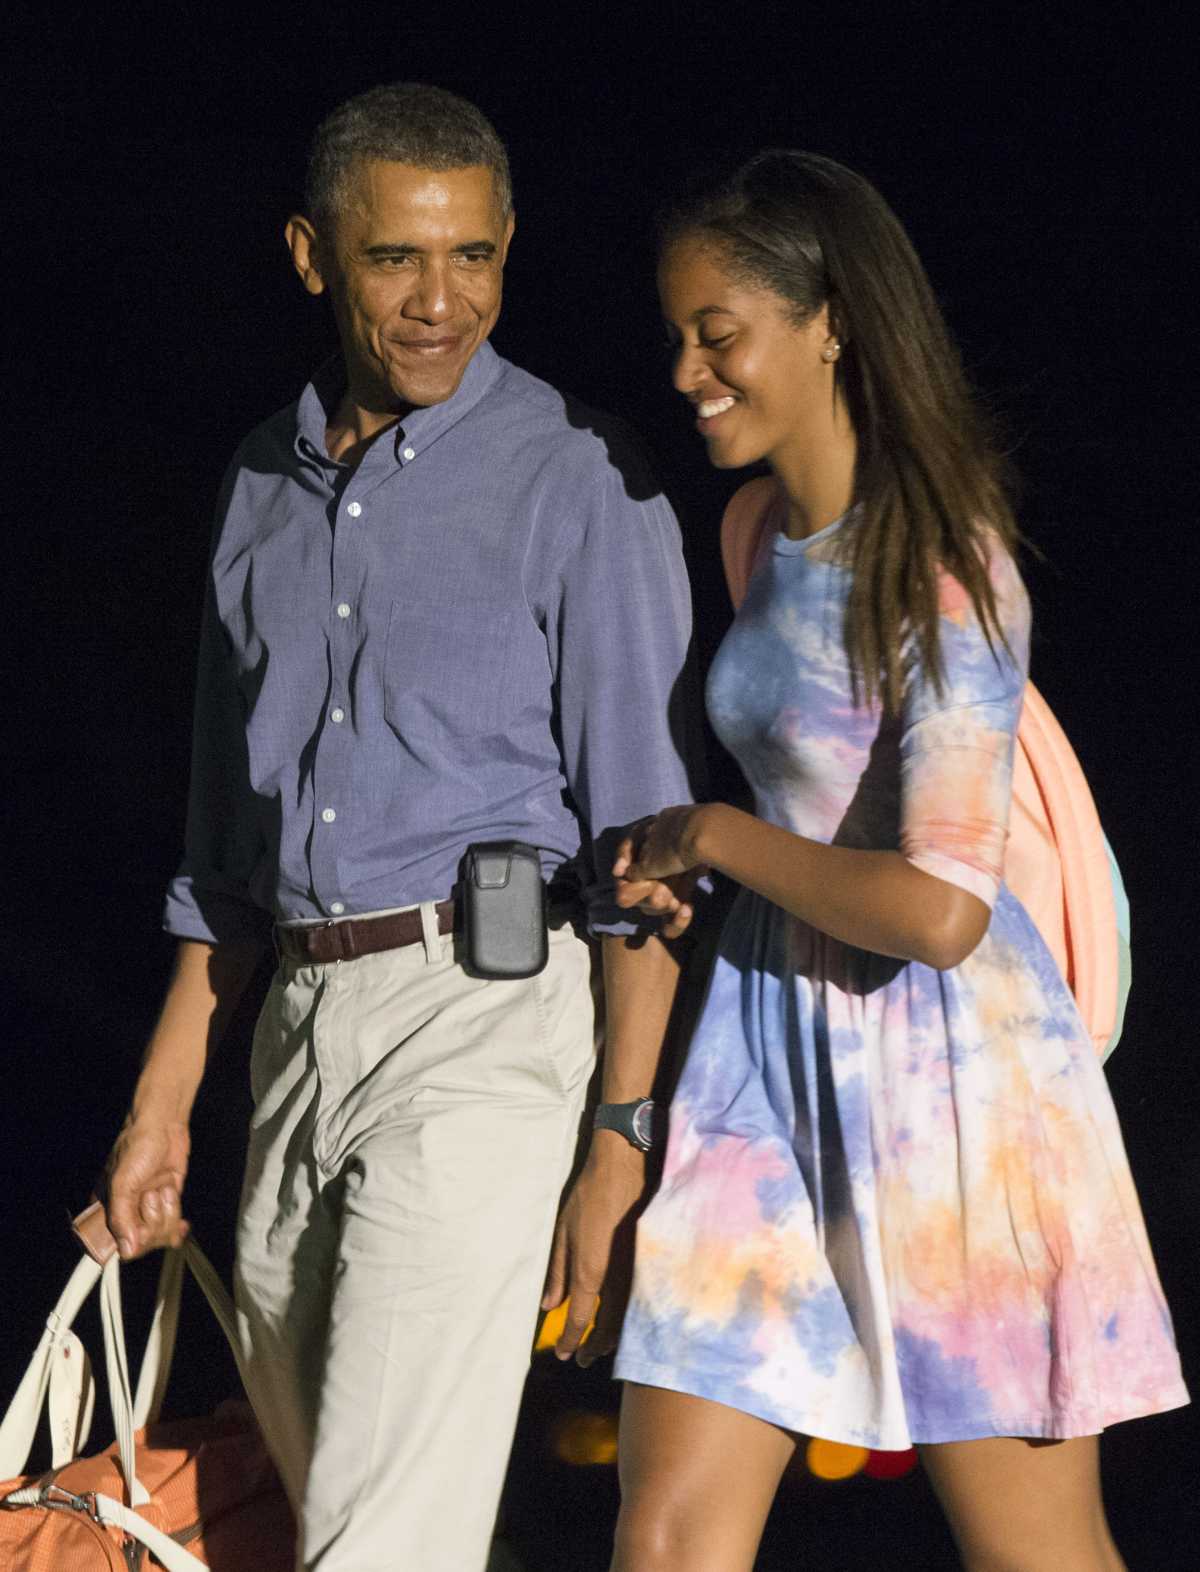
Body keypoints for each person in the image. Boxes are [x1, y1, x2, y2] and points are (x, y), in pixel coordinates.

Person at [99, 83, 699, 1572]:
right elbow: (219, 851)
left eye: (477, 258)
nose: (445, 303)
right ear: (314, 255)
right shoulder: (258, 485)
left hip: (488, 1023)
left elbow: (650, 848)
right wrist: (164, 1103)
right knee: (336, 1514)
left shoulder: (581, 478)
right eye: (397, 261)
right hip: (295, 1034)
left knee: (376, 1542)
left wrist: (618, 1143)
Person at [606, 151, 1187, 1572]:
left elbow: (939, 909)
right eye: (676, 335)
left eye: (718, 334)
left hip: (956, 1096)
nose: (687, 371)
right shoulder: (752, 533)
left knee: (1037, 1556)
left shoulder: (943, 563)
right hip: (763, 1070)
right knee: (670, 1533)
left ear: (830, 324)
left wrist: (716, 838)